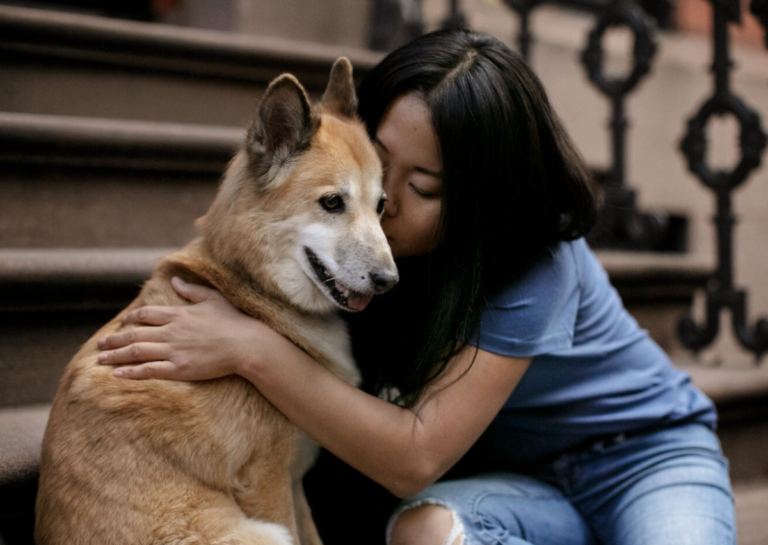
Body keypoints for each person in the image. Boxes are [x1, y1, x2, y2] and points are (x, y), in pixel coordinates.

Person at [96, 28, 736, 545]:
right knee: (426, 533)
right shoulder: (352, 254)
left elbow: (414, 457)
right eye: (377, 166)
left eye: (423, 188)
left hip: (643, 461)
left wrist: (250, 349)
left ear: (481, 200)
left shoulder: (538, 263)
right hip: (513, 484)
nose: (384, 208)